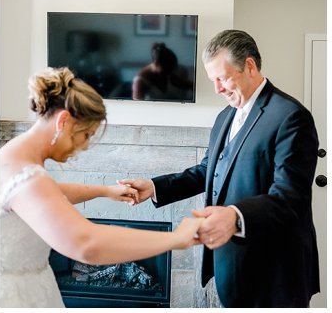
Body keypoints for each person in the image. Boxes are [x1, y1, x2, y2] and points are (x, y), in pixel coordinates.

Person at [120, 30, 320, 307]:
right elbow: (209, 171)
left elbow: (290, 196)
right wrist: (155, 187)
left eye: (223, 78)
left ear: (249, 66)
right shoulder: (225, 116)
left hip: (275, 270)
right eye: (212, 79)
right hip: (232, 265)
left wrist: (235, 216)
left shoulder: (290, 116)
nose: (217, 89)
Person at [0, 67, 204, 307]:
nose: (84, 146)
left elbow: (49, 193)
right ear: (63, 121)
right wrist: (177, 239)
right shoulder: (28, 175)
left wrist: (105, 191)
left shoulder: (17, 157)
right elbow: (86, 244)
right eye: (85, 135)